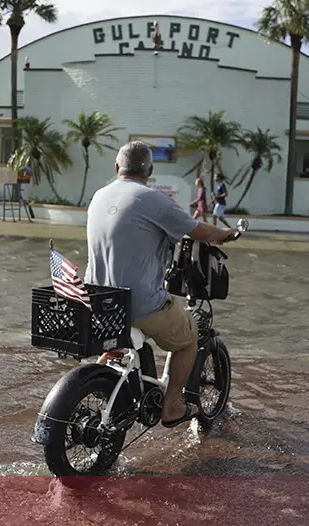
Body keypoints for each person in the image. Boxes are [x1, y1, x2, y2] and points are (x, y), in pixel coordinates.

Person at [85, 141, 236, 429]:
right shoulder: (151, 199)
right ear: (150, 170)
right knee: (188, 337)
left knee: (125, 336)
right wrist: (226, 234)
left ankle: (111, 370)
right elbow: (200, 231)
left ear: (117, 168)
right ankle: (171, 406)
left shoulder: (99, 196)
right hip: (138, 302)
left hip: (98, 299)